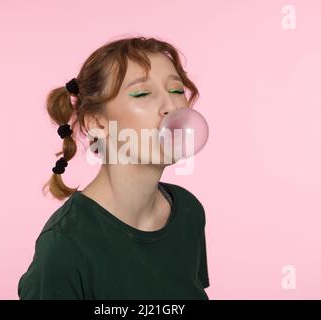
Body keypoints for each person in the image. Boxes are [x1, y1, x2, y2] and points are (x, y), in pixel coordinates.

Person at [18, 36, 210, 299]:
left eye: (176, 90)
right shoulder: (66, 245)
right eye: (142, 93)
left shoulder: (188, 212)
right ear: (96, 121)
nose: (171, 107)